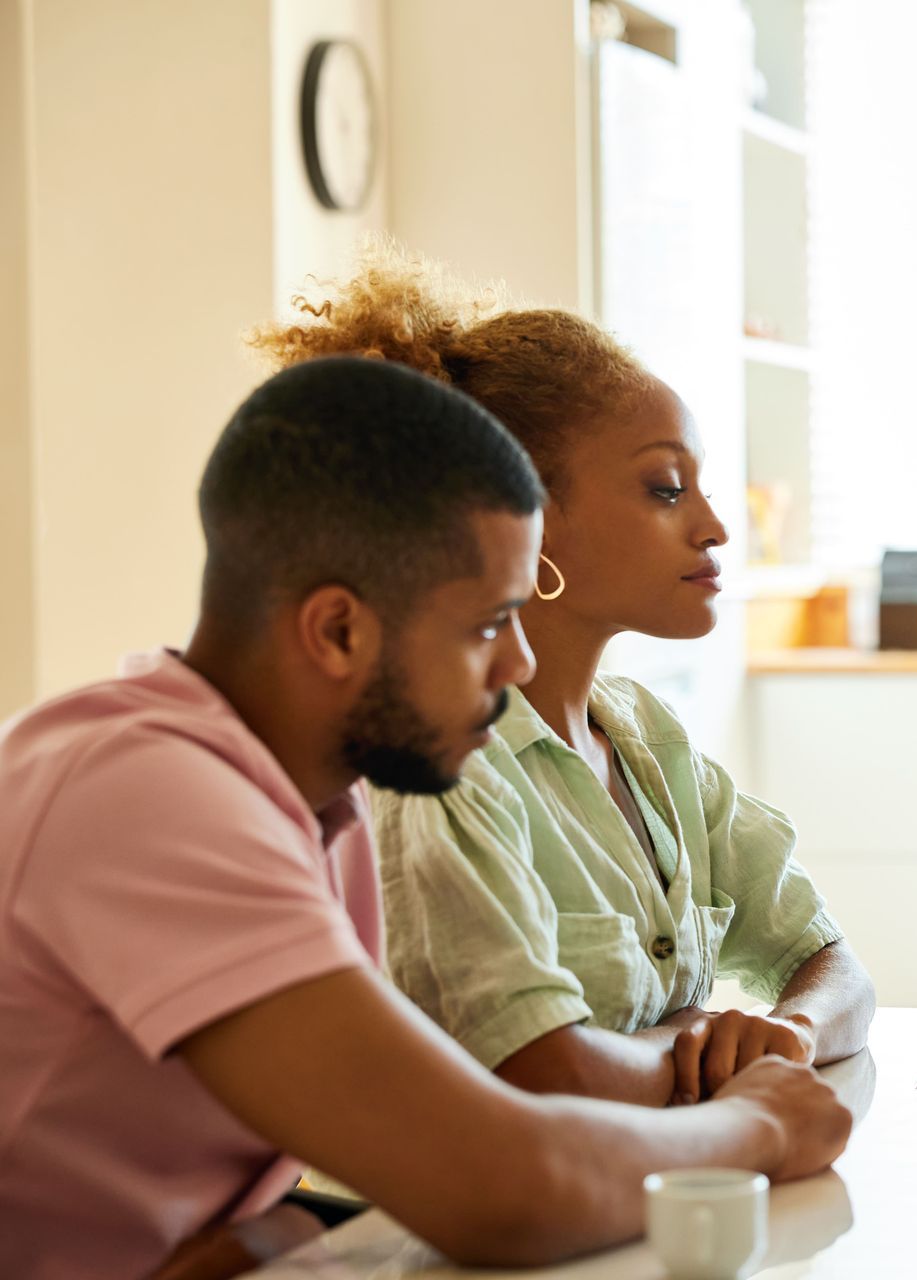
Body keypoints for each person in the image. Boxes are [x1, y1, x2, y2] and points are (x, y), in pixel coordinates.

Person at [0, 358, 851, 1280]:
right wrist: (759, 1123)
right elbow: (500, 1183)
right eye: (490, 624)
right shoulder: (150, 795)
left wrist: (273, 1235)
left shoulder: (309, 805)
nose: (520, 665)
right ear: (338, 632)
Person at [249, 245, 873, 1108]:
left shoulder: (645, 737)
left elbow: (830, 962)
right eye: (665, 488)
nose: (717, 527)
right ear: (526, 516)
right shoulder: (435, 768)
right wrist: (698, 1049)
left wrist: (792, 1032)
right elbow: (529, 1075)